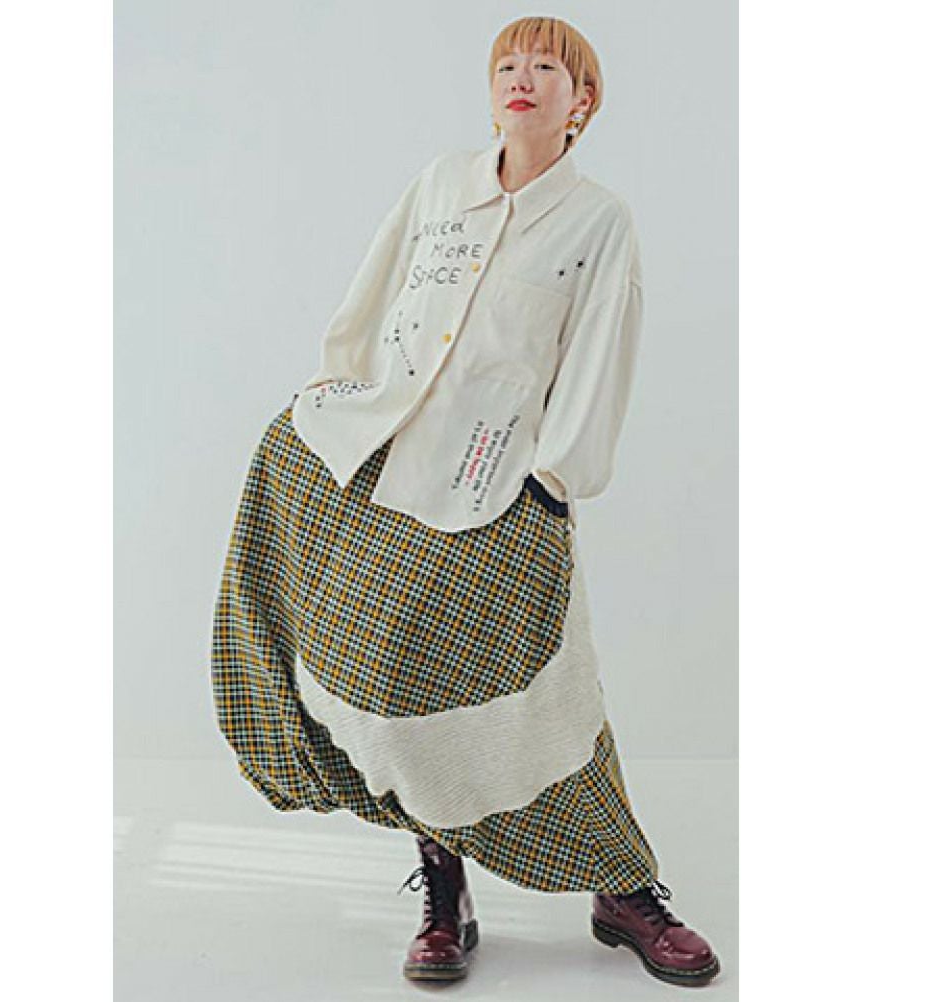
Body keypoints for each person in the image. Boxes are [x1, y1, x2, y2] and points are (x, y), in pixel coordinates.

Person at [210, 14, 720, 989]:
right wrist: (336, 391)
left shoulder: (598, 221)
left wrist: (556, 480)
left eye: (546, 66)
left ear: (583, 101)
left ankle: (622, 889)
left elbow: (600, 354)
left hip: (498, 485)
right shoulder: (442, 184)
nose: (521, 78)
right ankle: (443, 887)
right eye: (506, 65)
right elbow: (375, 293)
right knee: (393, 682)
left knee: (546, 695)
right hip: (386, 450)